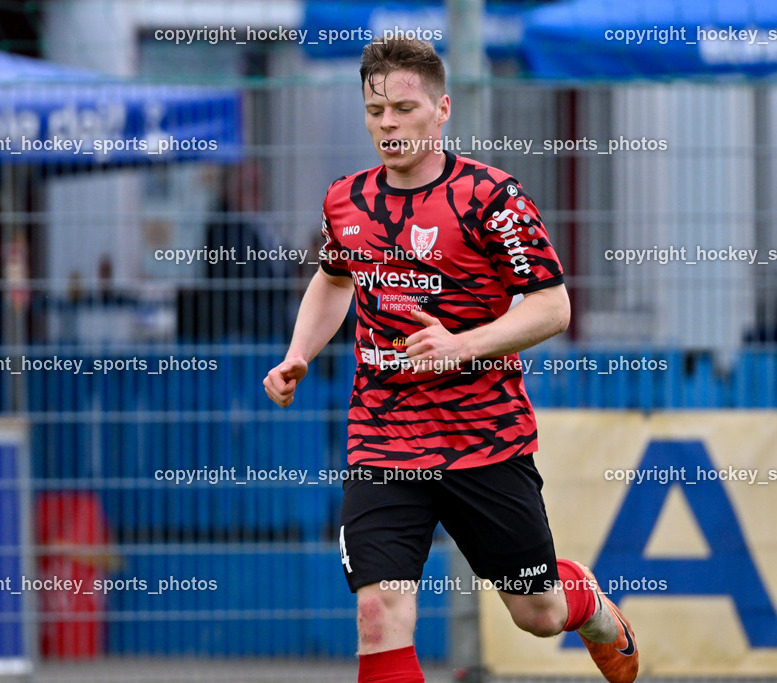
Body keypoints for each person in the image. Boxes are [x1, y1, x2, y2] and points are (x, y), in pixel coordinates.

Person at [264, 38, 637, 683]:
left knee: (538, 612)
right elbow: (333, 278)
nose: (388, 124)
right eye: (375, 110)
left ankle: (594, 608)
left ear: (441, 110)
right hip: (383, 437)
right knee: (379, 611)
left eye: (404, 109)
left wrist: (458, 345)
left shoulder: (492, 197)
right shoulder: (344, 201)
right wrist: (299, 353)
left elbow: (551, 307)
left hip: (484, 437)